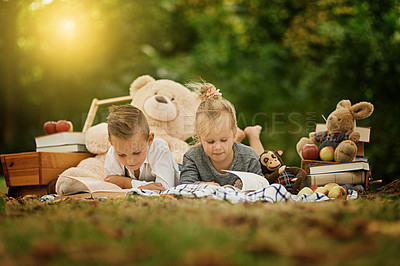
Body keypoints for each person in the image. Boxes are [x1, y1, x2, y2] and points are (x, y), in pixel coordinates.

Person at [179, 82, 264, 186]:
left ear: (233, 133)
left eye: (223, 140)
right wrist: (201, 185)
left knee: (264, 162)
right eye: (210, 142)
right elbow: (184, 186)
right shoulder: (193, 157)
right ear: (200, 138)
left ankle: (253, 135)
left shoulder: (249, 157)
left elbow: (262, 184)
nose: (217, 147)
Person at [104, 104, 179, 191]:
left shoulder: (159, 149)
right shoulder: (112, 152)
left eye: (136, 153)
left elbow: (164, 188)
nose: (130, 161)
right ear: (111, 142)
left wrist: (125, 183)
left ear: (150, 139)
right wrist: (142, 186)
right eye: (121, 155)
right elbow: (111, 184)